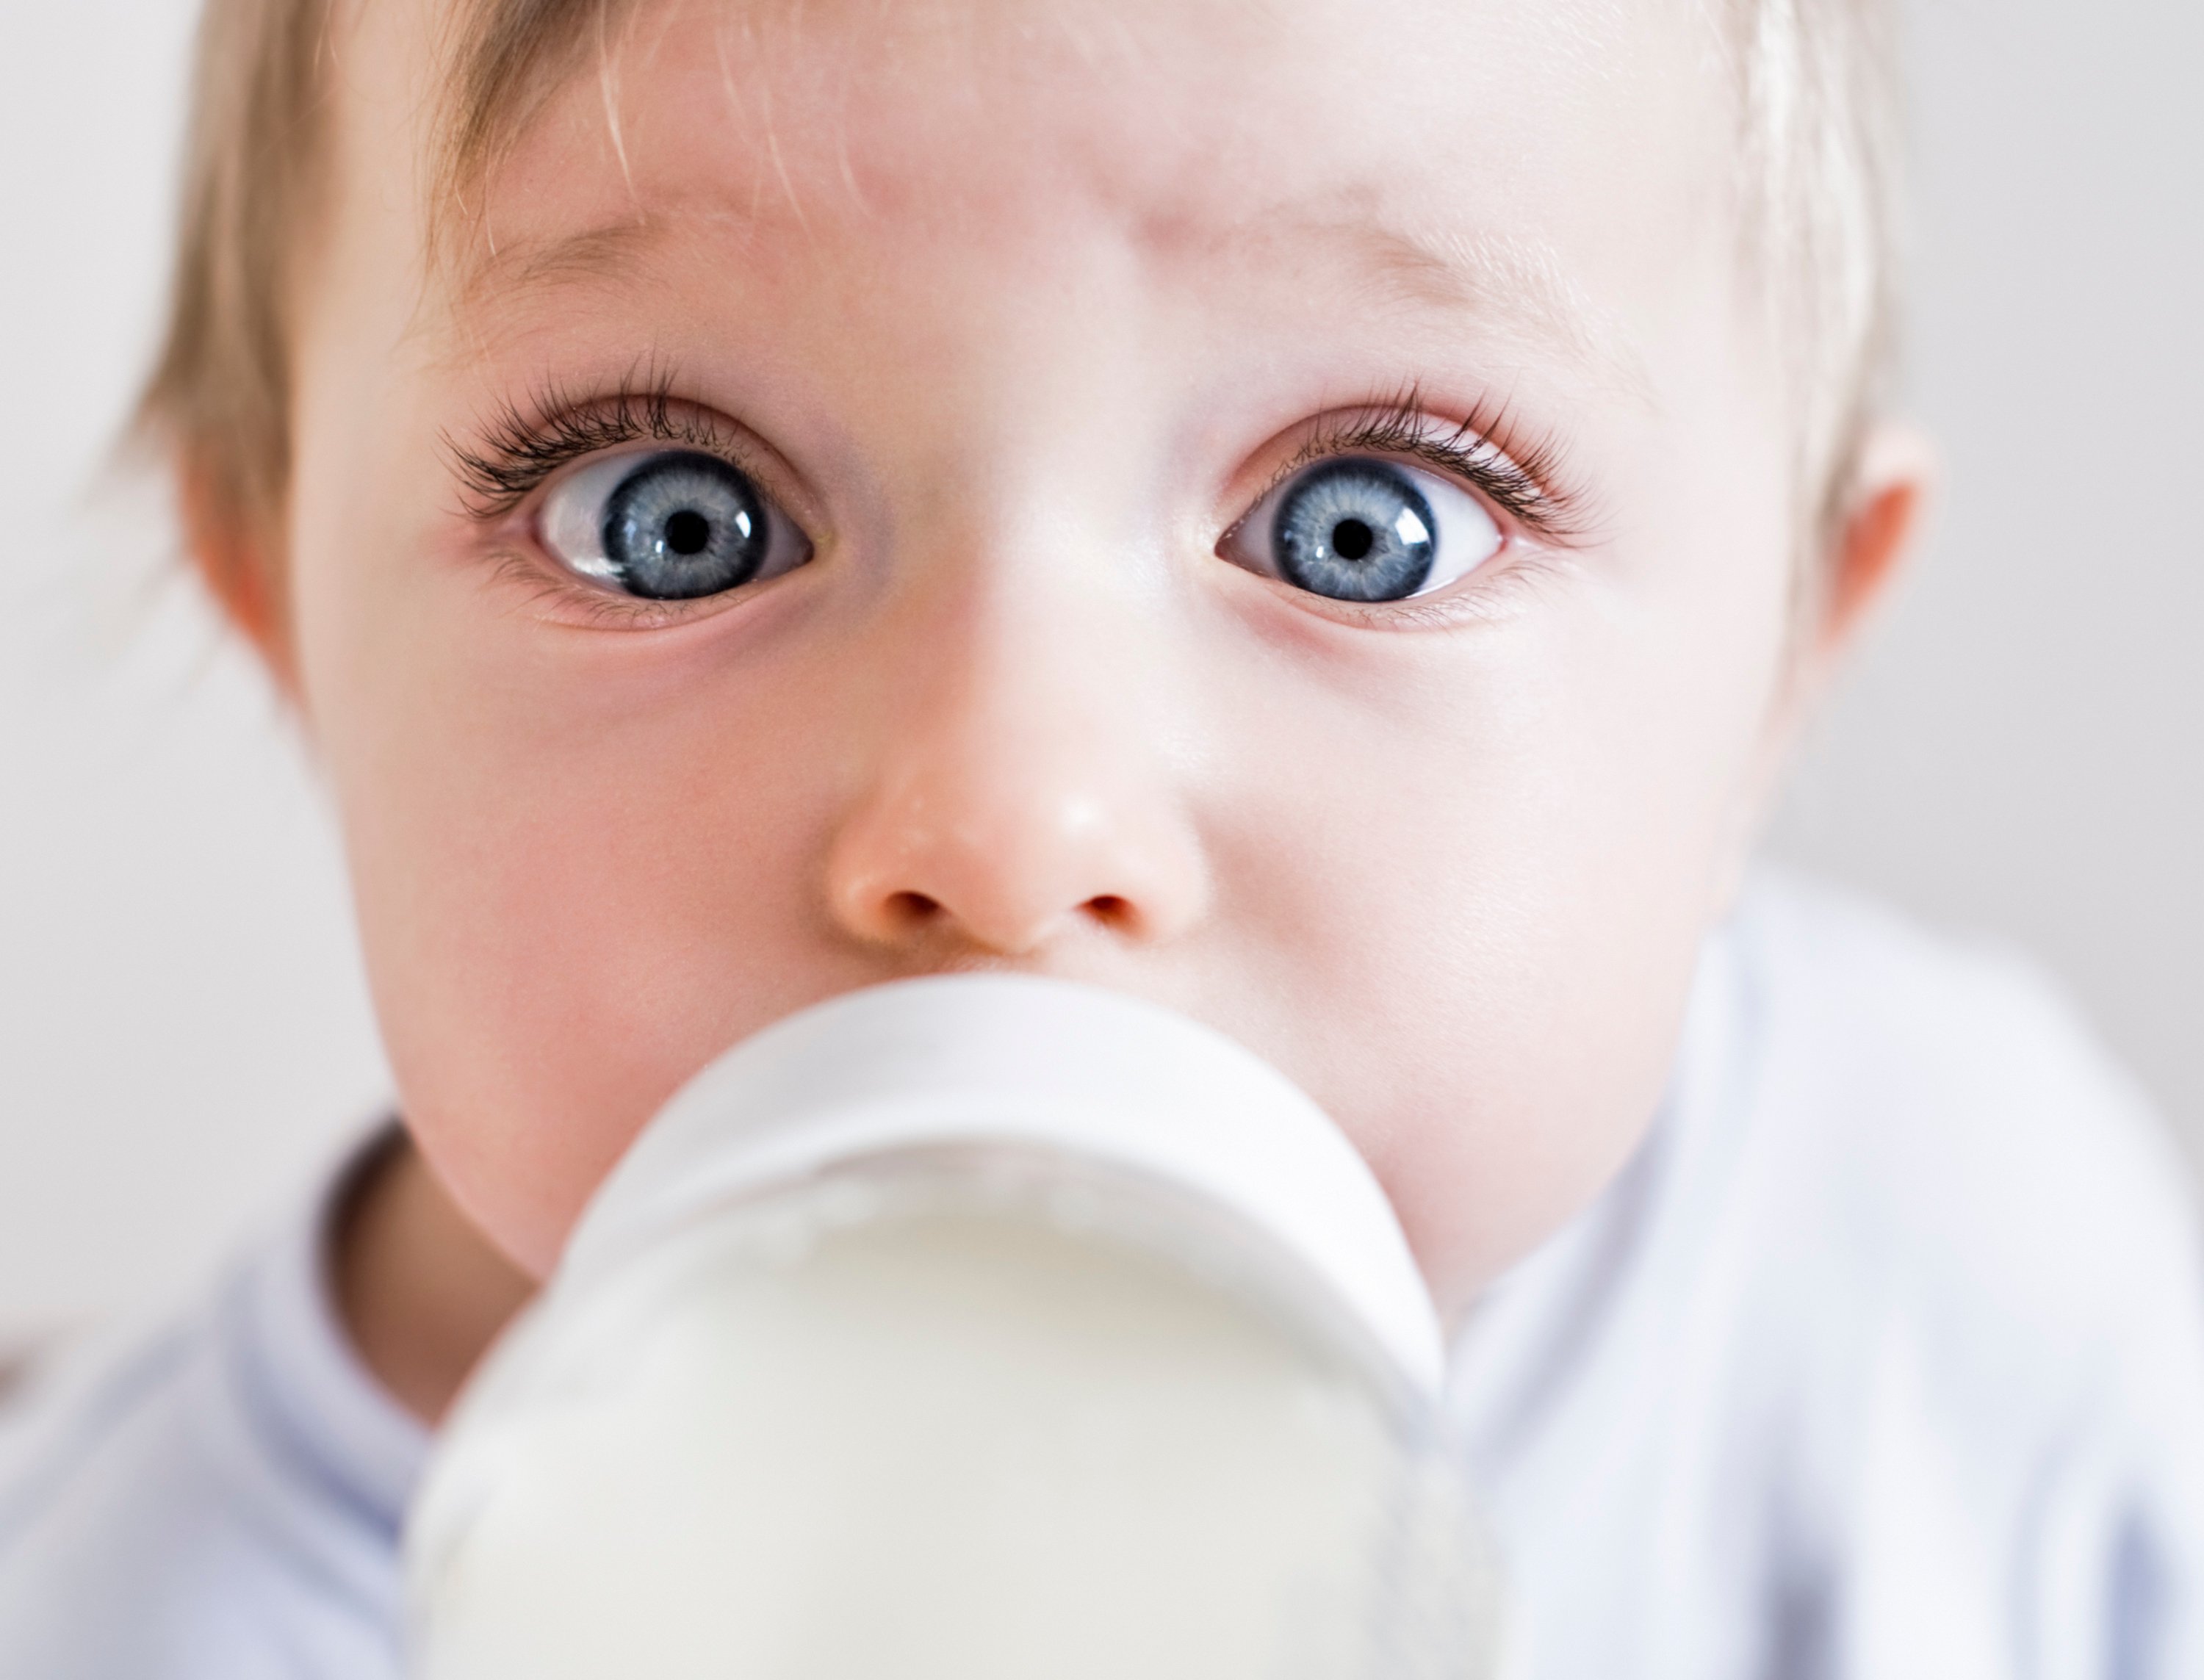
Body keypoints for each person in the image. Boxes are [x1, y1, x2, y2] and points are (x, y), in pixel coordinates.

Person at [2, 0, 2200, 1673]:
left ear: (1776, 680)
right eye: (675, 523)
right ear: (288, 612)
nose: (1013, 821)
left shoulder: (1942, 1292)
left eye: (1367, 524)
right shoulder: (146, 1618)